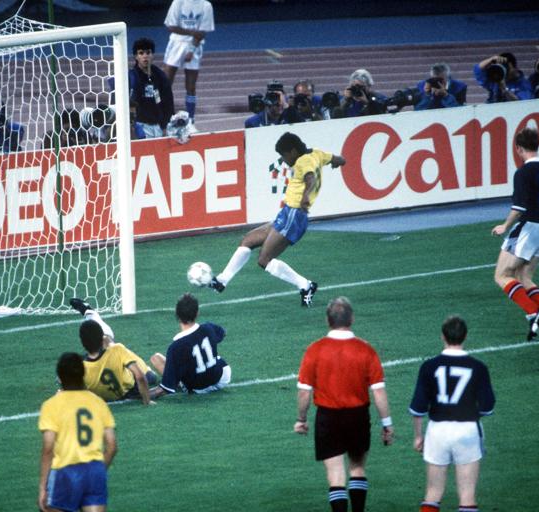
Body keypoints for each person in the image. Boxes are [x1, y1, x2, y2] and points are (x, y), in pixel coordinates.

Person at [209, 132, 345, 307]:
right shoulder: (317, 153)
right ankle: (222, 280)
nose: (284, 159)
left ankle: (306, 285)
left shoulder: (303, 161)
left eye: (284, 155)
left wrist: (305, 197)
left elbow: (310, 179)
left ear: (293, 151)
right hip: (287, 213)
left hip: (295, 215)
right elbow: (338, 159)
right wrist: (338, 162)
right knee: (248, 240)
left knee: (264, 260)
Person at [294, 297, 393, 512]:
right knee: (357, 468)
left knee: (336, 475)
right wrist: (387, 424)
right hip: (357, 417)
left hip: (328, 418)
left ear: (327, 320)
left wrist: (301, 419)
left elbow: (304, 392)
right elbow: (379, 392)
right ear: (352, 319)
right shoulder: (366, 350)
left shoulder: (315, 350)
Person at [491, 127, 539, 348]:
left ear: (518, 149)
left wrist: (504, 226)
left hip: (529, 228)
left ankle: (537, 315)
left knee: (502, 276)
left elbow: (519, 208)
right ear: (537, 145)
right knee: (524, 275)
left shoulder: (523, 173)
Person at [409, 315, 496, 512]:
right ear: (466, 336)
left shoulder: (429, 366)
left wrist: (417, 436)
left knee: (432, 492)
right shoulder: (478, 367)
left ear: (442, 336)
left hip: (437, 431)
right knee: (467, 494)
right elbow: (487, 407)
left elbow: (418, 408)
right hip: (467, 430)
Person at [38, 352, 117, 512]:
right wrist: (99, 470)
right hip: (95, 471)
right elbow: (112, 445)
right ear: (83, 373)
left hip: (66, 473)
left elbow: (48, 448)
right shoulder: (98, 402)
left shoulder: (51, 405)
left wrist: (42, 487)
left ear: (60, 377)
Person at [69, 298, 157, 406]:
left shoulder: (80, 368)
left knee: (108, 342)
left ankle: (90, 313)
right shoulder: (117, 350)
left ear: (82, 344)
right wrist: (147, 402)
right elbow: (139, 376)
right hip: (131, 390)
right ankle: (90, 313)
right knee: (151, 377)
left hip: (107, 396)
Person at [149, 293, 231, 398]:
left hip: (197, 388)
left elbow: (163, 390)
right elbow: (222, 333)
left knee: (156, 359)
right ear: (197, 313)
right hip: (221, 378)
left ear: (177, 315)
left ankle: (179, 383)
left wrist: (142, 395)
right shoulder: (208, 327)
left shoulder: (176, 347)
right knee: (215, 358)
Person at [163, 0, 215, 130]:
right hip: (176, 43)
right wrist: (192, 32)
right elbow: (171, 26)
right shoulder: (178, 2)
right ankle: (164, 116)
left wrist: (191, 50)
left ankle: (191, 121)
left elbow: (202, 32)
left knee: (191, 86)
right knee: (166, 83)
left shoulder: (206, 5)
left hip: (195, 46)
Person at [128, 37, 174, 138]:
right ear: (136, 56)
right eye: (141, 53)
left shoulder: (160, 76)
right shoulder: (131, 77)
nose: (145, 56)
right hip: (140, 125)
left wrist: (166, 125)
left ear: (152, 55)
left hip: (158, 126)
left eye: (148, 53)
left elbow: (168, 102)